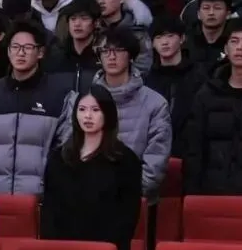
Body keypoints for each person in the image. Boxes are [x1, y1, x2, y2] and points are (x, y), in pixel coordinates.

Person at [41, 85, 142, 250]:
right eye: (82, 109)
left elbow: (127, 218)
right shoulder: (59, 158)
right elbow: (50, 210)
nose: (87, 116)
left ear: (108, 114)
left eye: (95, 110)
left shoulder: (125, 161)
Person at [0, 21, 72, 195]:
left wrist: (48, 169)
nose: (20, 53)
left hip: (41, 195)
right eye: (15, 47)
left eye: (28, 47)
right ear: (8, 51)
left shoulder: (60, 96)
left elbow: (67, 141)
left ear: (40, 52)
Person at [64, 28, 171, 197]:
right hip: (84, 195)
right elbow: (68, 148)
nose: (111, 56)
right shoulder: (80, 100)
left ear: (131, 56)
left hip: (132, 197)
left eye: (118, 50)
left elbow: (155, 162)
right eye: (105, 51)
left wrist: (128, 194)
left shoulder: (155, 104)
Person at [184, 18, 242, 196]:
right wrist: (193, 194)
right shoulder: (206, 94)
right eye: (234, 41)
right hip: (212, 193)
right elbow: (194, 151)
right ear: (226, 49)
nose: (239, 47)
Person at [144, 16, 206, 158]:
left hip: (191, 150)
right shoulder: (148, 80)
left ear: (182, 38)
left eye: (170, 36)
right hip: (154, 151)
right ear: (152, 43)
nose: (164, 42)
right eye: (159, 37)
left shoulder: (198, 76)